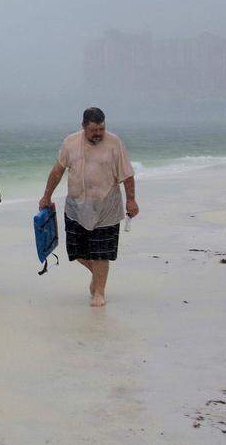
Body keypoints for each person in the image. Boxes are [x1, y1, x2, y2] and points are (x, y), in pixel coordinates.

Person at [39, 107, 138, 307]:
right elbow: (57, 171)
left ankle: (99, 292)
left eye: (101, 129)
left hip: (106, 206)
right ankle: (98, 276)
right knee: (77, 252)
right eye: (93, 130)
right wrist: (46, 195)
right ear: (83, 126)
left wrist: (131, 200)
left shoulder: (114, 143)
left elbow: (127, 175)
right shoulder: (70, 143)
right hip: (76, 207)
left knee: (101, 252)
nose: (98, 133)